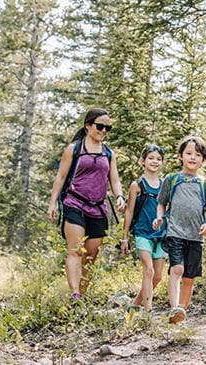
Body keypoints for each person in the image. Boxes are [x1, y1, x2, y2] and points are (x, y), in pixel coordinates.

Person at [47, 108, 126, 300]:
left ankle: (82, 296)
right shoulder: (74, 149)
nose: (104, 131)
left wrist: (119, 196)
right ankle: (75, 294)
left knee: (91, 255)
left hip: (98, 208)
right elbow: (61, 177)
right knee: (75, 251)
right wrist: (53, 203)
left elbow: (114, 179)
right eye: (100, 126)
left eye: (108, 128)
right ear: (88, 126)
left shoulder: (109, 154)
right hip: (74, 203)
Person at [153, 136, 206, 324]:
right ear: (180, 156)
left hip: (196, 236)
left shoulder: (205, 183)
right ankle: (174, 308)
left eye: (197, 155)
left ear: (203, 159)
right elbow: (161, 203)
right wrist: (159, 218)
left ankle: (181, 313)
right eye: (188, 153)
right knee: (177, 268)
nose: (192, 157)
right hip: (175, 233)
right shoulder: (172, 179)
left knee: (189, 277)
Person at [120, 144, 167, 311]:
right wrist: (124, 237)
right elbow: (129, 211)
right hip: (142, 232)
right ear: (143, 161)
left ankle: (134, 305)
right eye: (151, 158)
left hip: (161, 234)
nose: (155, 161)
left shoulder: (165, 184)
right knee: (148, 270)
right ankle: (148, 311)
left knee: (158, 276)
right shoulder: (137, 185)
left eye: (158, 159)